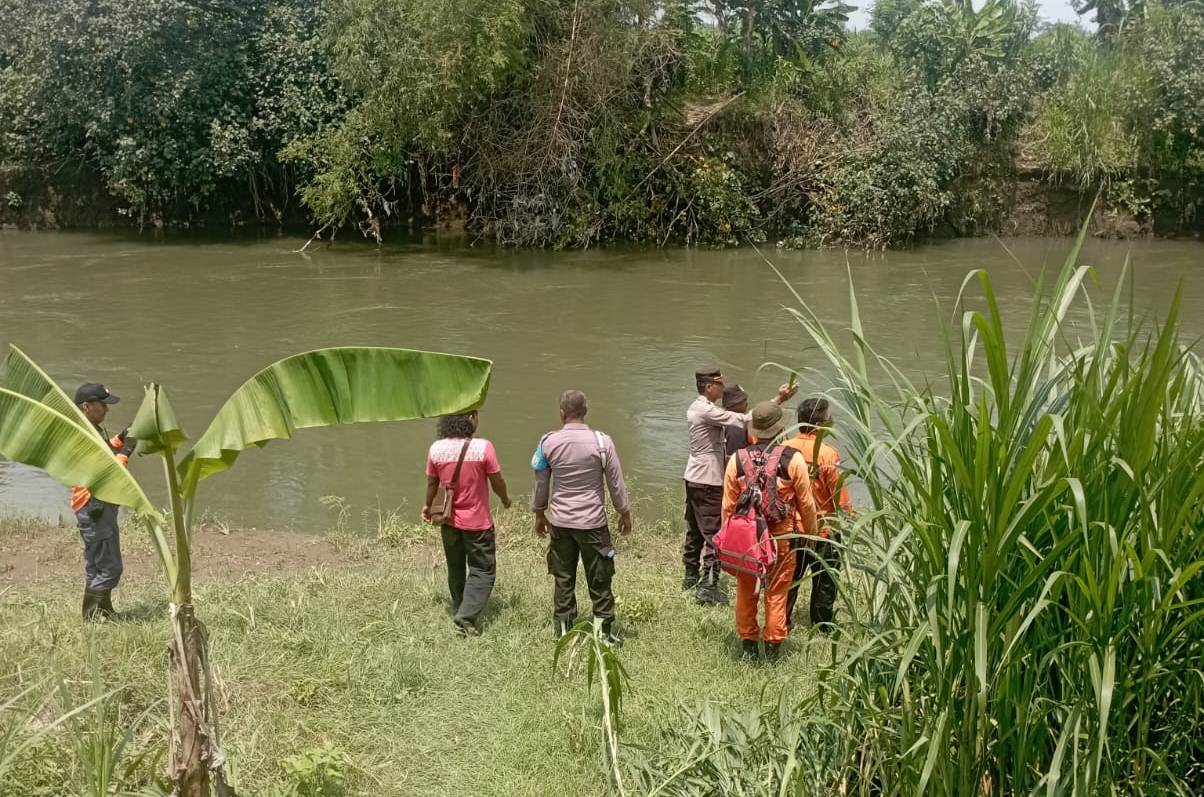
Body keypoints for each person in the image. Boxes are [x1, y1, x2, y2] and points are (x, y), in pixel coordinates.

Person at [684, 368, 795, 604]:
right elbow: (746, 419)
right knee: (714, 531)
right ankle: (709, 586)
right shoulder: (707, 410)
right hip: (708, 479)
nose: (722, 389)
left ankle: (690, 576)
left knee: (694, 529)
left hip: (694, 476)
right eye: (719, 384)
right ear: (708, 387)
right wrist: (778, 400)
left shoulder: (698, 407)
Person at [531, 390, 632, 642]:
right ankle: (604, 634)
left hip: (560, 523)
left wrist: (539, 513)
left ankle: (564, 630)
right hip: (593, 524)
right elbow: (615, 483)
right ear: (585, 412)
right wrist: (624, 512)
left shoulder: (548, 442)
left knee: (563, 577)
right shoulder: (602, 442)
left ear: (562, 413)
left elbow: (541, 483)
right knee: (600, 578)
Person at [721, 401, 818, 662]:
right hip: (781, 539)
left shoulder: (737, 460)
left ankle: (749, 647)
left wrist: (727, 540)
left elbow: (728, 507)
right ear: (780, 429)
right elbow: (807, 503)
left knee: (745, 591)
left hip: (747, 541)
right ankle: (773, 649)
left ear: (755, 430)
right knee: (776, 593)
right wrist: (811, 535)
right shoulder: (792, 459)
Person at [422, 411, 511, 636]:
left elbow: (432, 484)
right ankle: (466, 617)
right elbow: (496, 480)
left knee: (456, 566)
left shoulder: (436, 449)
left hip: (448, 521)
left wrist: (427, 506)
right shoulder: (483, 447)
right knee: (483, 570)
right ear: (470, 419)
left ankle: (459, 607)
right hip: (477, 523)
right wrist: (505, 499)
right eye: (477, 416)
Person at [783, 397, 853, 633]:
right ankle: (822, 626)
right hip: (823, 529)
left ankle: (781, 621)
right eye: (829, 417)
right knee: (825, 580)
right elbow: (838, 495)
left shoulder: (784, 447)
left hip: (790, 527)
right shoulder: (828, 454)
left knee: (789, 578)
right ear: (821, 424)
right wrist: (850, 517)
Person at [72, 383, 136, 620]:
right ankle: (92, 616)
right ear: (87, 406)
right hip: (94, 504)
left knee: (96, 565)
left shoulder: (92, 428)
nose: (107, 411)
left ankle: (103, 612)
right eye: (103, 406)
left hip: (91, 503)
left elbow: (105, 452)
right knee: (109, 567)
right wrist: (126, 452)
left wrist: (121, 439)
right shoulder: (82, 434)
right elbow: (106, 470)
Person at [722, 384, 751, 460]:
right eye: (744, 400)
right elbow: (734, 457)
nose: (747, 403)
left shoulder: (721, 417)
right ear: (735, 403)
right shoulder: (736, 426)